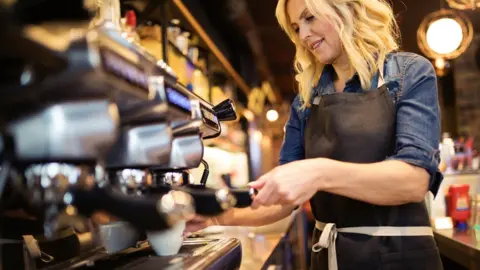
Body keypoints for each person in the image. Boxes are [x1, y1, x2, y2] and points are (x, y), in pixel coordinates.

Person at [186, 0, 444, 269]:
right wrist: (217, 218)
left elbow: (414, 181)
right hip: (329, 260)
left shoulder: (408, 73)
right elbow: (282, 200)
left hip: (400, 258)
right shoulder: (306, 101)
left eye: (310, 18)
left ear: (349, 8)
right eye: (296, 27)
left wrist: (317, 173)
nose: (303, 35)